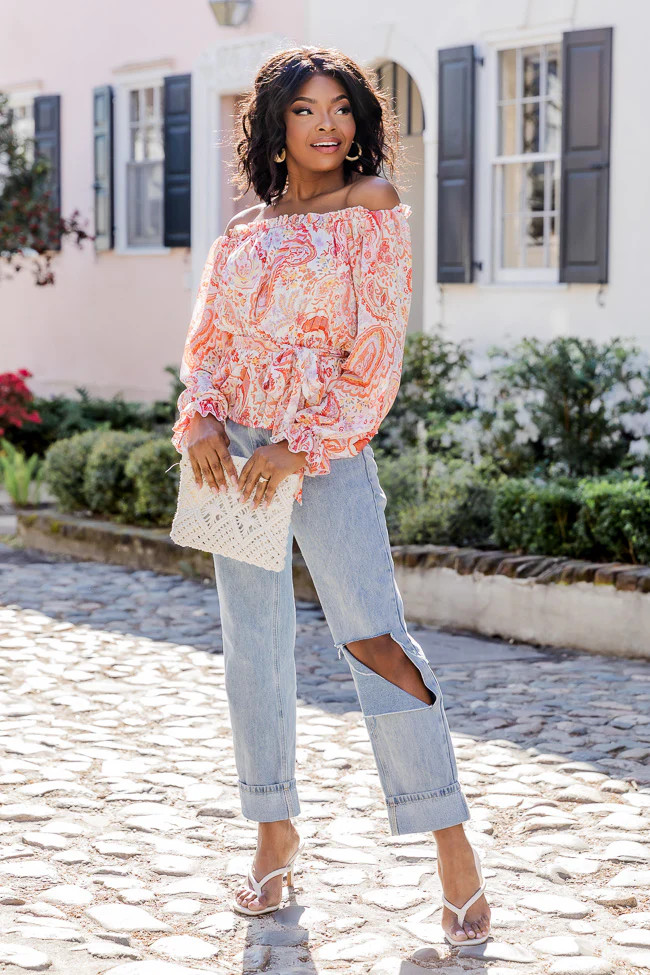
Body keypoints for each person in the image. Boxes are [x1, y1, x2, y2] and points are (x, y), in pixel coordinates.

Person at [171, 45, 491, 945]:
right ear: (277, 124)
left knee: (376, 637)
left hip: (325, 450)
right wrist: (199, 418)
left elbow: (377, 358)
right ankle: (274, 836)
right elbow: (208, 344)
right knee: (255, 649)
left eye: (341, 109)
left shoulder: (374, 209)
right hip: (232, 453)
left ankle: (451, 845)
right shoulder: (244, 232)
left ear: (359, 121)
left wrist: (298, 446)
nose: (328, 126)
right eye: (308, 110)